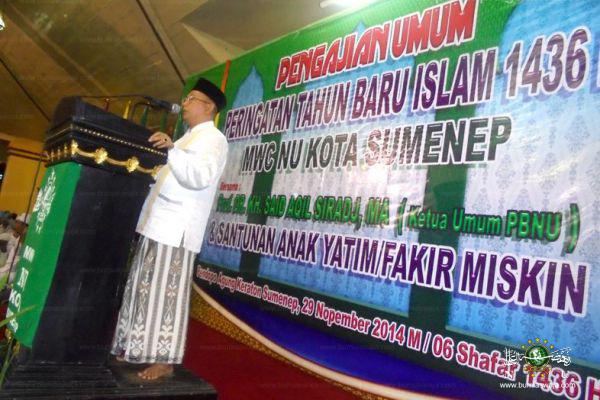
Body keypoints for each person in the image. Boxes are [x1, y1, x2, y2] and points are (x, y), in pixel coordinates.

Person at [110, 78, 228, 380]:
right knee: (143, 289)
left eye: (191, 99)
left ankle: (165, 360)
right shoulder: (187, 138)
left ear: (209, 107)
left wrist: (172, 150)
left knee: (166, 297)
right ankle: (135, 348)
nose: (184, 104)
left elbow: (199, 176)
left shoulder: (213, 139)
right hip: (157, 226)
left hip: (176, 231)